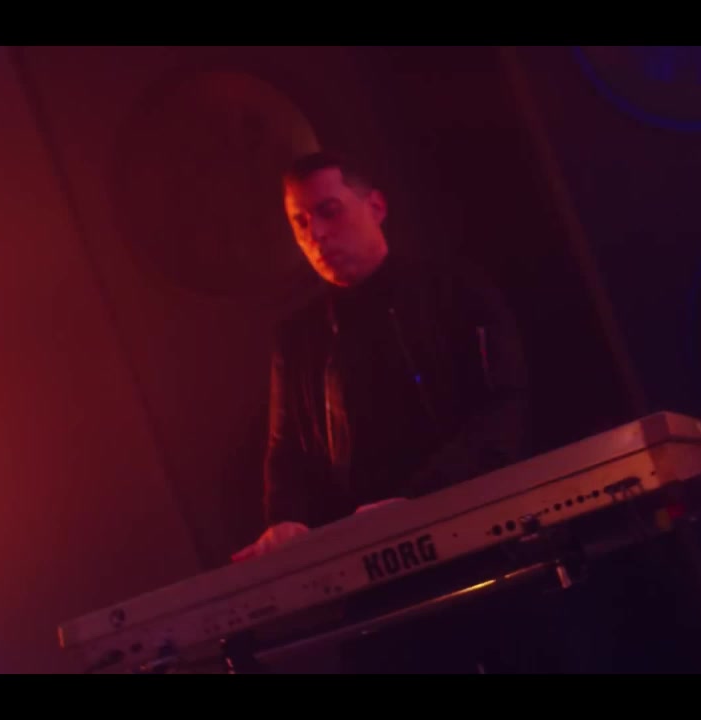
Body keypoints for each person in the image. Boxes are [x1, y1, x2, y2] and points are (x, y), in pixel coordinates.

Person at [229, 151, 534, 672]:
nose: (315, 234)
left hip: (484, 553)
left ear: (376, 206)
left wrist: (417, 500)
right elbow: (286, 451)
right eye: (300, 223)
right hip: (376, 591)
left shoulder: (455, 289)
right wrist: (285, 520)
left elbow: (502, 409)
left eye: (329, 211)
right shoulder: (297, 338)